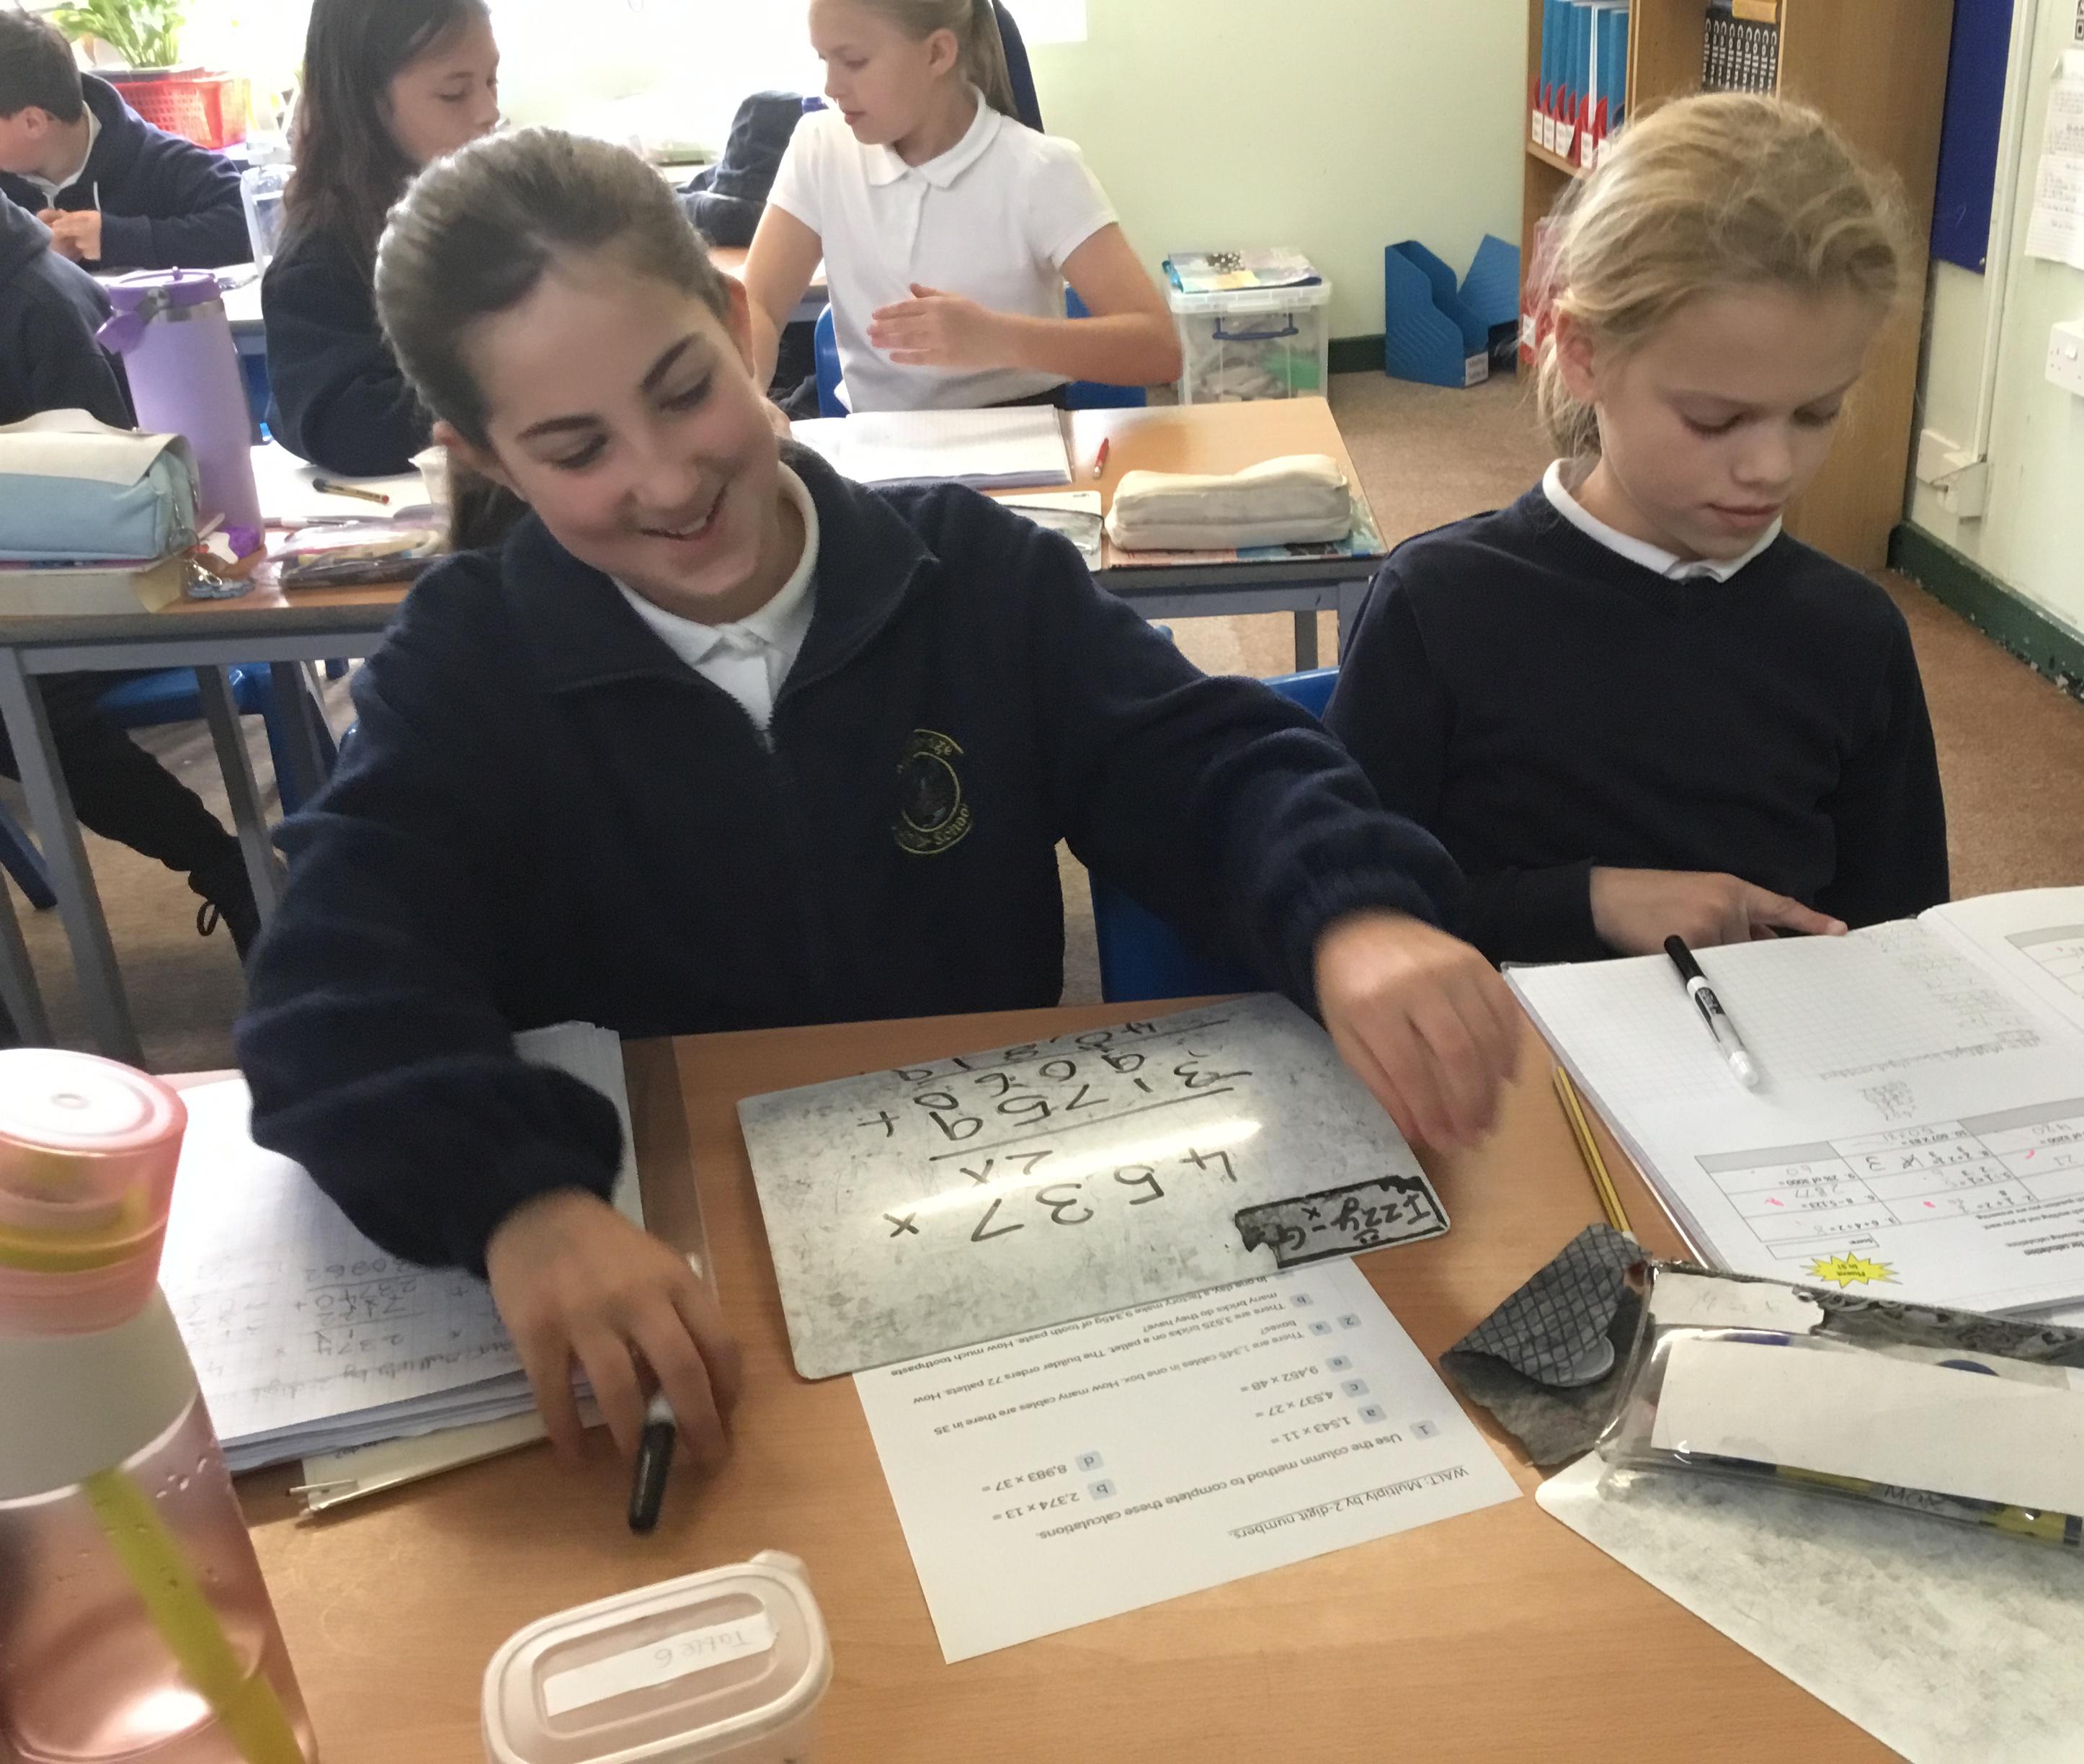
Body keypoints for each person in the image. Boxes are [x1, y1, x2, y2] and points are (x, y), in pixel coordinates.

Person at [235, 128, 1519, 1474]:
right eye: (576, 450)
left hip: (994, 1234)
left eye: (684, 391)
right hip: (694, 1278)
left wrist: (1353, 914)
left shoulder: (973, 576)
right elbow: (329, 995)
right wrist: (522, 1205)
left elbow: (1211, 764)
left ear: (738, 319)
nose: (664, 479)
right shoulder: (466, 667)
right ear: (490, 461)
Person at [1326, 94, 1949, 966]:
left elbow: (1903, 937)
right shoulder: (1440, 605)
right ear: (1583, 354)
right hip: (1500, 1040)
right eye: (1715, 419)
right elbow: (1344, 901)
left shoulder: (1854, 634)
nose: (1772, 467)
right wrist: (1588, 902)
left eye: (1816, 414)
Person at [0, 200, 260, 961]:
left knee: (18, 711)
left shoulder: (36, 304)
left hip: (112, 579)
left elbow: (99, 499)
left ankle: (225, 867)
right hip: (38, 577)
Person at [740, 0, 1179, 411]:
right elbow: (756, 305)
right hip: (882, 443)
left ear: (937, 54)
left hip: (1021, 436)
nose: (832, 87)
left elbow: (1160, 349)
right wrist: (750, 397)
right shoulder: (819, 147)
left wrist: (998, 337)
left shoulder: (1039, 169)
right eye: (824, 59)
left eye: (854, 62)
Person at [262, 0, 499, 476]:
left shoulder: (492, 207)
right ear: (365, 103)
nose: (489, 112)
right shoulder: (319, 258)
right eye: (454, 94)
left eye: (492, 81)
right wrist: (517, 391)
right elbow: (341, 425)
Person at [0, 11, 249, 272]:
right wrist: (30, 254)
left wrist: (117, 239)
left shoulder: (155, 159)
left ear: (33, 122)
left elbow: (249, 222)